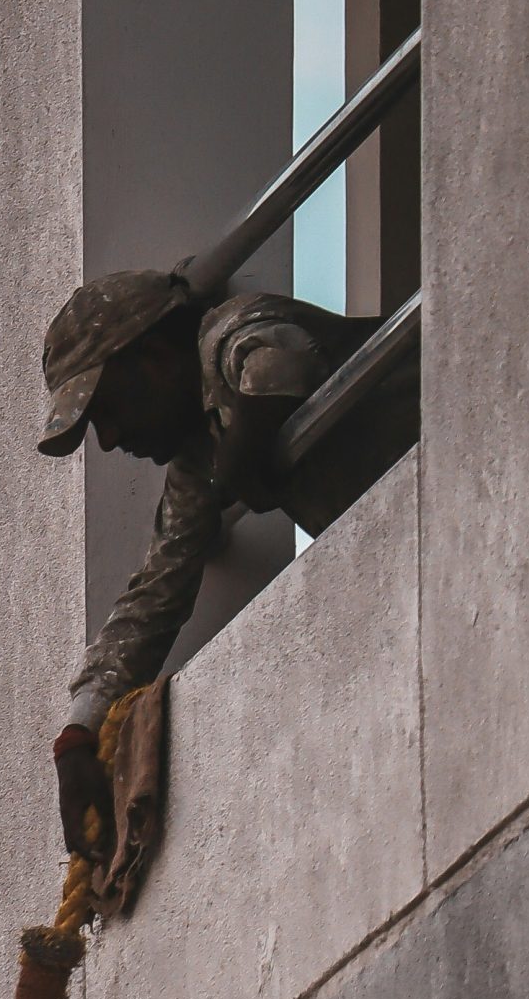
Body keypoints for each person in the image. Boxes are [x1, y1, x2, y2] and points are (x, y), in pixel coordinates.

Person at [41, 267, 417, 857]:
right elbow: (154, 595)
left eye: (107, 408)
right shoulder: (198, 460)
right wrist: (78, 733)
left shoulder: (223, 335)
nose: (110, 438)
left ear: (158, 357)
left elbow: (275, 360)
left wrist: (248, 451)